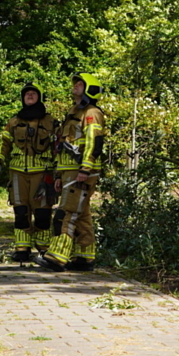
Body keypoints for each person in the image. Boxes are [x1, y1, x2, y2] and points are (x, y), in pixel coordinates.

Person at [36, 73, 106, 272]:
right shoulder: (74, 111)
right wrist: (59, 175)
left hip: (81, 172)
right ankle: (85, 258)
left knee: (65, 213)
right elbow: (64, 145)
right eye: (75, 82)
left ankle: (57, 258)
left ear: (90, 89)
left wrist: (85, 169)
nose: (75, 85)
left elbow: (95, 143)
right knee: (81, 215)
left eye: (80, 84)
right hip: (69, 171)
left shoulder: (91, 112)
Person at [0, 83, 58, 262]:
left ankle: (43, 248)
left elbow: (57, 147)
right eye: (27, 94)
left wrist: (59, 169)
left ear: (39, 97)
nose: (30, 96)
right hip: (17, 172)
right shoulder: (14, 121)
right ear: (23, 98)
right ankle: (22, 248)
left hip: (42, 174)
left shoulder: (50, 121)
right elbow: (3, 143)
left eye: (33, 93)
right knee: (21, 212)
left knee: (43, 213)